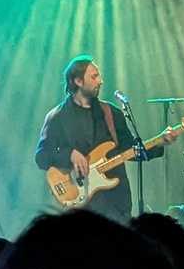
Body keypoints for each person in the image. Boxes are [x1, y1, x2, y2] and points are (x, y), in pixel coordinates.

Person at [34, 55, 164, 224]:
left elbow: (130, 150)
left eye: (99, 76)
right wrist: (70, 154)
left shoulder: (112, 113)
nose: (100, 81)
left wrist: (160, 142)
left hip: (116, 203)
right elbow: (41, 157)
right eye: (94, 77)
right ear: (78, 81)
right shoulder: (57, 117)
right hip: (80, 206)